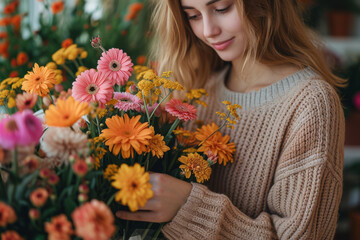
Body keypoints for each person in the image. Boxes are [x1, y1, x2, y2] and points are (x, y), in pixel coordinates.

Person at [116, 0, 346, 239]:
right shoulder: (197, 90)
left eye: (222, 8)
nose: (208, 31)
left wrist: (188, 207)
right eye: (193, 16)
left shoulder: (310, 103)